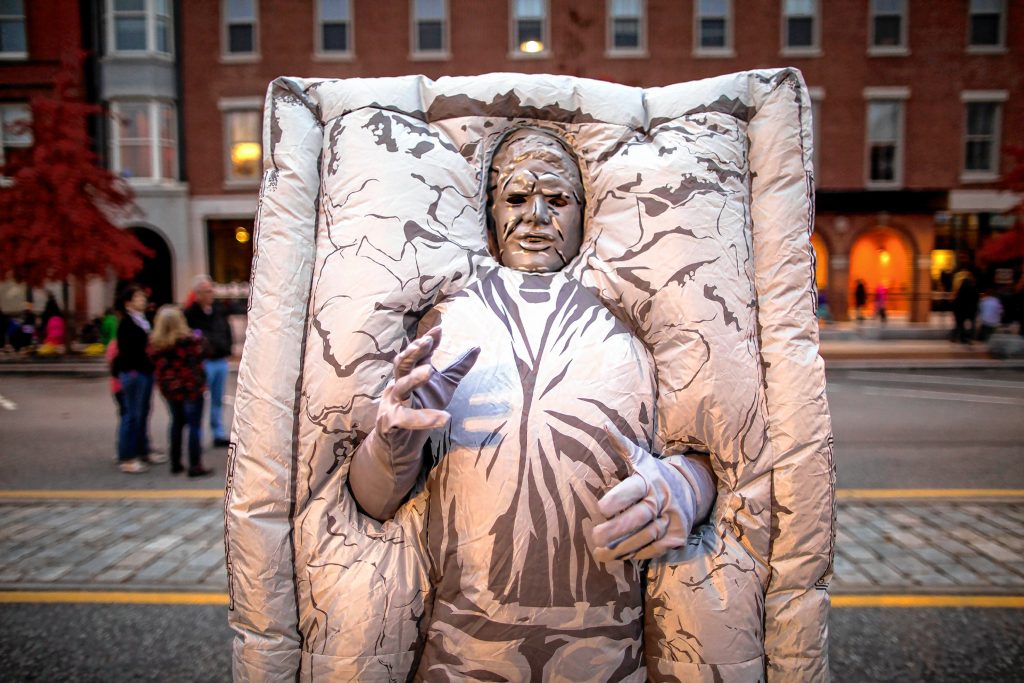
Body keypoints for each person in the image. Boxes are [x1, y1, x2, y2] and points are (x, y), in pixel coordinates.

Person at [346, 128, 717, 678]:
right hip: (464, 645)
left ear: (583, 213)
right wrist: (391, 445)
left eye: (558, 199)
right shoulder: (445, 325)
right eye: (517, 199)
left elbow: (703, 452)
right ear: (491, 213)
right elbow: (374, 503)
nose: (537, 215)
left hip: (606, 642)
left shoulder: (629, 324)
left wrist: (684, 490)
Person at [149, 305, 212, 477]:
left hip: (170, 388)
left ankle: (176, 462)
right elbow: (204, 353)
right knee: (194, 425)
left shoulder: (156, 344)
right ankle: (195, 464)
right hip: (191, 387)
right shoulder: (191, 341)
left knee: (177, 422)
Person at [113, 285, 164, 473]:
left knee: (143, 413)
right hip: (134, 373)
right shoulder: (126, 324)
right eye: (137, 297)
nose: (141, 300)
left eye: (142, 296)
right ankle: (126, 456)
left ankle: (143, 450)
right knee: (131, 415)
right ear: (128, 303)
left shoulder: (143, 321)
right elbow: (127, 351)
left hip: (145, 372)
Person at [185, 275, 233, 448]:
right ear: (198, 293)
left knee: (218, 398)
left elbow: (225, 330)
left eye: (211, 291)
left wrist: (227, 347)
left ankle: (218, 431)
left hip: (220, 359)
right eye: (207, 291)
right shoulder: (190, 314)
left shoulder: (217, 310)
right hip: (203, 362)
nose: (210, 294)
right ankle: (195, 434)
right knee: (197, 400)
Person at [952, 269, 979, 343]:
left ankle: (958, 337)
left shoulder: (961, 290)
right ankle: (970, 337)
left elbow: (956, 301)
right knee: (971, 324)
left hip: (961, 310)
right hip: (971, 310)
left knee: (959, 324)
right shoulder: (973, 288)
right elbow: (976, 298)